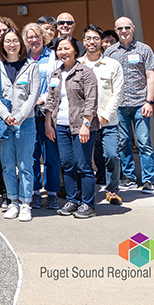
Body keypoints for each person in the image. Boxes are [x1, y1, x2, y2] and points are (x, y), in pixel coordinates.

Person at [0, 28, 40, 222]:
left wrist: (20, 116)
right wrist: (6, 115)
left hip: (26, 122)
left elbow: (34, 94)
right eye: (7, 41)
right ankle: (13, 202)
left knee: (26, 164)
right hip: (4, 122)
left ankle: (26, 203)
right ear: (2, 44)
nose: (11, 44)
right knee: (8, 165)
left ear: (21, 43)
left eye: (15, 41)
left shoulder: (31, 66)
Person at [44, 36, 99, 219]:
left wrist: (86, 124)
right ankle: (72, 200)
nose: (63, 52)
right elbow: (51, 101)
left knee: (83, 166)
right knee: (67, 165)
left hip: (81, 126)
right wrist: (48, 123)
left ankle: (88, 204)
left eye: (66, 48)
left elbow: (91, 101)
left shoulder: (85, 72)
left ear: (75, 50)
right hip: (60, 126)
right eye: (60, 49)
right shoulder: (56, 74)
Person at [105, 17, 154, 195]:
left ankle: (148, 180)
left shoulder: (144, 49)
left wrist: (149, 101)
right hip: (118, 106)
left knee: (144, 143)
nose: (124, 30)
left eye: (127, 27)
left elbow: (150, 76)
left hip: (140, 104)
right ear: (116, 30)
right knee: (123, 143)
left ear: (133, 28)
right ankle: (129, 177)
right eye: (120, 28)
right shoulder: (110, 52)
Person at [80, 25, 124, 205]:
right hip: (84, 124)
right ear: (83, 41)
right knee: (83, 160)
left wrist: (105, 116)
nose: (92, 42)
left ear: (101, 42)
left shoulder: (113, 65)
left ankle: (112, 189)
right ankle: (84, 193)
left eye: (96, 38)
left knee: (112, 155)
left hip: (108, 122)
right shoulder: (77, 65)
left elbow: (118, 93)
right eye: (88, 38)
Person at [23, 23, 61, 210]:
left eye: (37, 35)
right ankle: (35, 191)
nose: (34, 39)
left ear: (43, 37)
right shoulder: (24, 58)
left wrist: (42, 98)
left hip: (47, 112)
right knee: (32, 154)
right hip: (28, 113)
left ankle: (52, 192)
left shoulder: (52, 56)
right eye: (30, 36)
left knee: (50, 154)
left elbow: (55, 84)